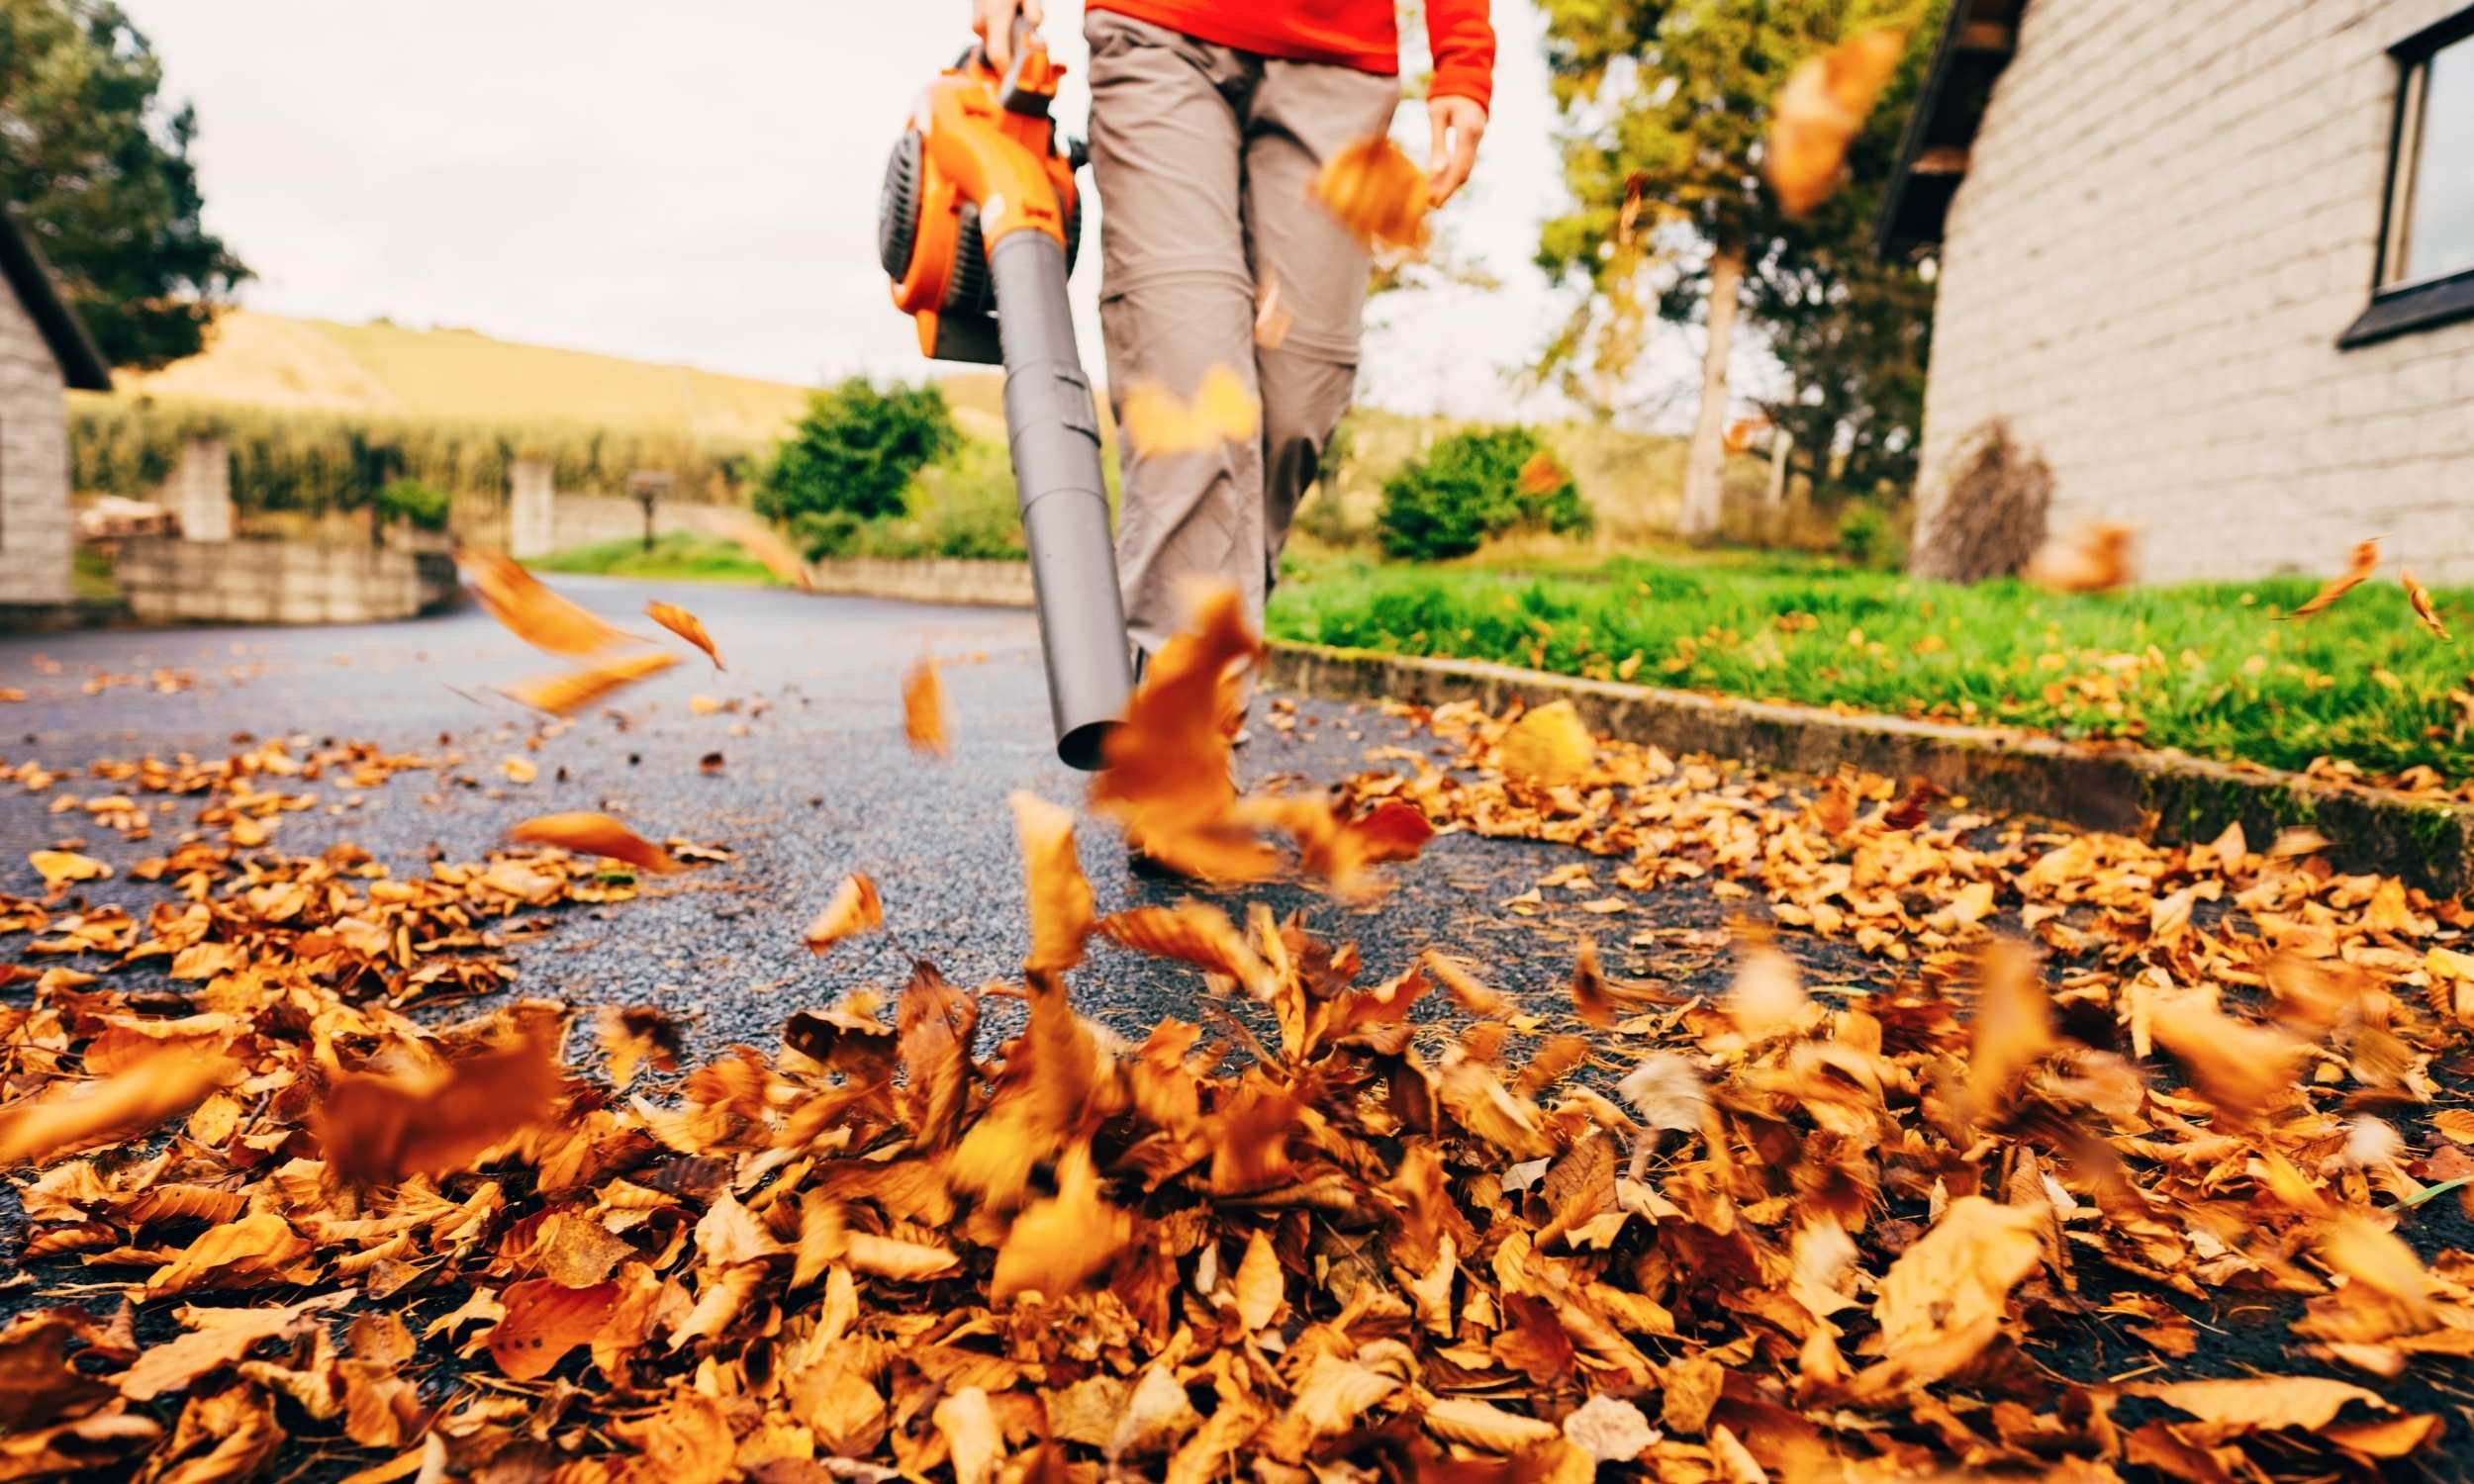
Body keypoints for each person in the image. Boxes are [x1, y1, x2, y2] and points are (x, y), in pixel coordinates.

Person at [972, 0, 1494, 669]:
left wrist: (1463, 58)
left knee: (1299, 402)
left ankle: (1199, 670)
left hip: (1342, 62)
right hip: (1159, 32)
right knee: (1196, 396)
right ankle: (1182, 706)